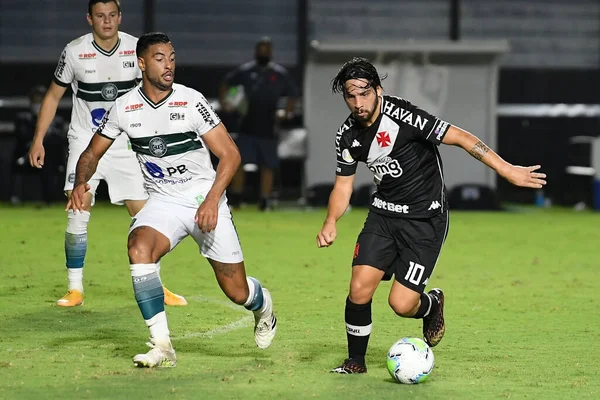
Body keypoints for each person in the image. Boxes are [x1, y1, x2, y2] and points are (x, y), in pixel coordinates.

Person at [316, 57, 547, 374]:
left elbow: (463, 138)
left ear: (378, 90)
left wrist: (508, 171)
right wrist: (330, 222)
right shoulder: (348, 135)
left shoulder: (404, 116)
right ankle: (355, 361)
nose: (358, 103)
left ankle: (431, 304)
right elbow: (342, 189)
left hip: (425, 220)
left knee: (401, 304)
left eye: (364, 93)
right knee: (359, 288)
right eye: (350, 96)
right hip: (383, 216)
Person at [67, 32, 278, 368]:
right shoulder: (124, 107)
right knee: (139, 247)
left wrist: (211, 201)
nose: (169, 65)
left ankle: (263, 306)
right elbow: (91, 153)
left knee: (237, 292)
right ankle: (162, 345)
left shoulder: (190, 101)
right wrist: (81, 183)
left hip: (204, 199)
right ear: (141, 63)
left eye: (172, 57)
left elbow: (231, 156)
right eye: (160, 58)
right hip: (163, 202)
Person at [28, 0, 185, 307]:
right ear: (90, 19)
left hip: (125, 143)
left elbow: (154, 93)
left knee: (147, 215)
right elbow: (52, 95)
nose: (107, 21)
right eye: (100, 16)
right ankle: (75, 288)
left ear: (120, 17)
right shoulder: (74, 51)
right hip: (86, 143)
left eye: (112, 15)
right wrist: (38, 140)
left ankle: (156, 285)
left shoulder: (135, 49)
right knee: (78, 207)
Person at [220, 37, 298, 211]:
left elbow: (293, 94)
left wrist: (286, 112)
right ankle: (237, 198)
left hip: (269, 126)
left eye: (266, 50)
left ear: (271, 52)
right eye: (260, 49)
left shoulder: (278, 74)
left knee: (268, 165)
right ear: (256, 52)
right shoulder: (246, 72)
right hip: (246, 125)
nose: (263, 53)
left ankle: (264, 201)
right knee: (238, 162)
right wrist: (227, 103)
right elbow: (227, 84)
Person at [11, 85, 67, 205]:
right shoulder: (23, 119)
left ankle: (49, 199)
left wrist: (45, 136)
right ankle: (15, 197)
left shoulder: (56, 121)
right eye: (35, 100)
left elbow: (59, 139)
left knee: (49, 162)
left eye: (40, 100)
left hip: (48, 159)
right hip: (26, 157)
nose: (37, 103)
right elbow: (22, 135)